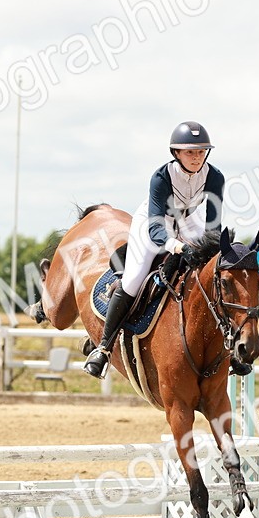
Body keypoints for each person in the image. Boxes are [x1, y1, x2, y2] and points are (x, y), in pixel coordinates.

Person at [83, 121, 225, 378]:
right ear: (176, 154)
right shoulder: (161, 178)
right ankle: (103, 348)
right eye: (190, 152)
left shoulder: (215, 177)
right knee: (134, 279)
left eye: (201, 151)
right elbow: (158, 230)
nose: (196, 157)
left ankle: (228, 345)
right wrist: (179, 247)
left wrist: (208, 250)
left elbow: (214, 225)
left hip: (189, 220)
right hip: (153, 222)